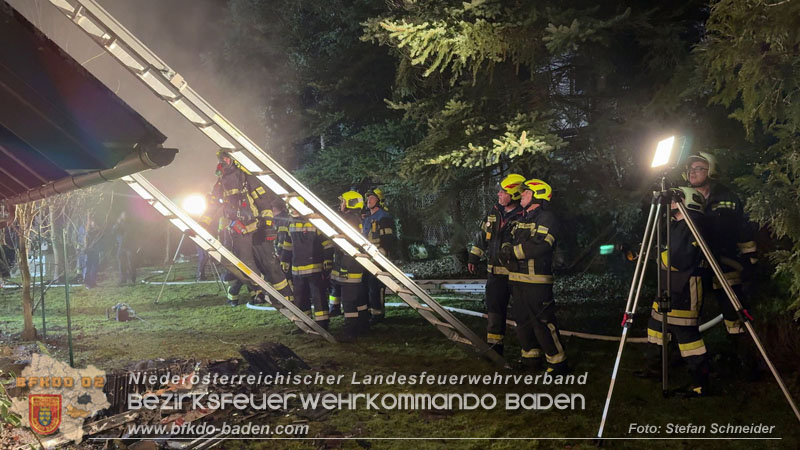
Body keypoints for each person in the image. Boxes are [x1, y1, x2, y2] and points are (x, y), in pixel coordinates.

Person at [685, 151, 760, 375]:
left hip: (725, 264)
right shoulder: (683, 198)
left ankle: (746, 361)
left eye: (699, 168)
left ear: (711, 171)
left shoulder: (727, 198)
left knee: (734, 314)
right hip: (693, 266)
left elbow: (740, 229)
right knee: (685, 315)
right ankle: (693, 364)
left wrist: (750, 261)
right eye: (690, 169)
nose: (693, 173)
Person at [200, 151, 292, 306]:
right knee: (246, 265)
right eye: (222, 159)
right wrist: (203, 223)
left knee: (270, 264)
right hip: (239, 230)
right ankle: (260, 291)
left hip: (258, 228)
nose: (224, 161)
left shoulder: (247, 177)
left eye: (226, 158)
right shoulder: (221, 182)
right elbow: (213, 204)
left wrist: (268, 225)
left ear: (233, 159)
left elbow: (263, 202)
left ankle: (286, 297)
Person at [646, 186, 710, 396]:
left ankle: (699, 382)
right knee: (657, 326)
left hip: (686, 287)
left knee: (686, 334)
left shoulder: (694, 224)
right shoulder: (675, 224)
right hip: (668, 284)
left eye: (677, 197)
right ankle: (657, 369)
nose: (671, 201)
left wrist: (657, 257)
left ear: (690, 200)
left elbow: (681, 259)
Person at [500, 179, 567, 374]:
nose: (522, 195)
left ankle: (558, 363)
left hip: (537, 281)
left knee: (543, 322)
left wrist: (512, 252)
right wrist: (506, 249)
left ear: (537, 196)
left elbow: (541, 245)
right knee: (522, 322)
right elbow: (508, 240)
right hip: (517, 279)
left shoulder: (547, 218)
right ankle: (530, 359)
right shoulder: (521, 219)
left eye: (527, 193)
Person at [468, 174, 526, 356]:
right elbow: (482, 235)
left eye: (503, 191)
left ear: (514, 195)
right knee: (494, 313)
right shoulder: (494, 212)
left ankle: (530, 353)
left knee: (522, 313)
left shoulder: (524, 216)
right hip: (494, 275)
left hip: (517, 275)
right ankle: (494, 350)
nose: (499, 194)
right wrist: (474, 256)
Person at [280, 197, 335, 329]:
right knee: (300, 298)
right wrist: (284, 260)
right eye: (291, 207)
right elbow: (287, 245)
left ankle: (322, 323)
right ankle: (304, 325)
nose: (293, 210)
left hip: (314, 268)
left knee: (318, 297)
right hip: (297, 269)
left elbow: (327, 243)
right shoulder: (290, 223)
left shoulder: (315, 222)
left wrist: (327, 260)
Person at [332, 191, 369, 339]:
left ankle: (350, 331)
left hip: (349, 263)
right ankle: (363, 325)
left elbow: (350, 243)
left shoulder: (350, 219)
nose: (341, 204)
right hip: (352, 262)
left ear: (349, 203)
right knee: (358, 297)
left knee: (348, 299)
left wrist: (344, 266)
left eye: (343, 201)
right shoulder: (354, 218)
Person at [361, 189, 396, 322]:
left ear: (379, 201)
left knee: (376, 286)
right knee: (366, 285)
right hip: (367, 257)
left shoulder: (384, 217)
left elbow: (388, 239)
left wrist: (382, 254)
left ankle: (378, 314)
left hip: (379, 258)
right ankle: (369, 313)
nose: (368, 200)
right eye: (368, 198)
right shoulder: (367, 218)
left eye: (372, 198)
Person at [112, 211, 136, 285]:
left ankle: (132, 279)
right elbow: (113, 232)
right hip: (121, 246)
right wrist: (117, 224)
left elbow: (133, 233)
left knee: (131, 263)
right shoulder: (118, 224)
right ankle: (123, 279)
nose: (125, 216)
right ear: (121, 216)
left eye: (126, 215)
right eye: (123, 215)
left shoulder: (130, 224)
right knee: (121, 263)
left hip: (130, 246)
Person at [82, 217, 102, 289]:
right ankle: (88, 283)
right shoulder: (88, 232)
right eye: (93, 222)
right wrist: (86, 249)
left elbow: (100, 236)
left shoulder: (97, 231)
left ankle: (93, 282)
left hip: (95, 251)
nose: (94, 224)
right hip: (89, 252)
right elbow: (86, 242)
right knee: (88, 268)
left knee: (95, 268)